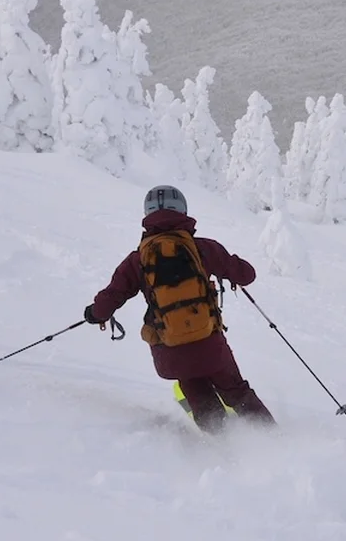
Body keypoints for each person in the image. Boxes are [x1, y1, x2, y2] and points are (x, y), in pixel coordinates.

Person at [84, 185, 276, 434]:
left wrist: (93, 314)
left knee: (197, 392)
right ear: (183, 211)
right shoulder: (202, 248)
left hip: (169, 348)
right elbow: (247, 274)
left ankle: (227, 446)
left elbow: (110, 298)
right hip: (209, 342)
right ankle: (273, 440)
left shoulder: (137, 259)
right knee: (236, 390)